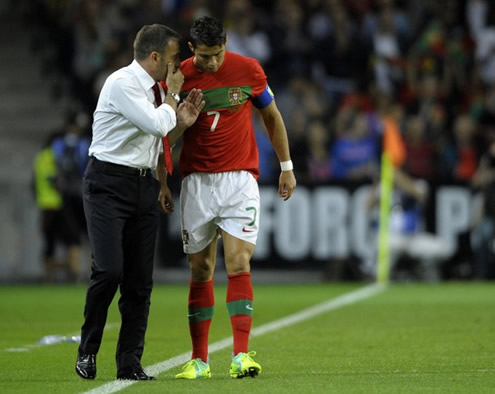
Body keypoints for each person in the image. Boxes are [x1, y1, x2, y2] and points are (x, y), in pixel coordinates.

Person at [166, 16, 297, 380]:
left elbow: (272, 115)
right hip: (196, 182)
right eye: (206, 56)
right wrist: (178, 111)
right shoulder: (179, 77)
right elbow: (164, 136)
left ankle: (241, 355)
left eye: (218, 53)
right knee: (201, 269)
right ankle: (199, 360)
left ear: (226, 44)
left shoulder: (249, 70)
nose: (213, 62)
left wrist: (286, 166)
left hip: (239, 180)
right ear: (193, 49)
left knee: (238, 262)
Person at [75, 24, 204, 381]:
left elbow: (161, 137)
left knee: (139, 282)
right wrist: (175, 101)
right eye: (176, 58)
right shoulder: (123, 84)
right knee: (109, 271)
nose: (179, 67)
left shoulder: (157, 90)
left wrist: (182, 126)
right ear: (155, 57)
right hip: (108, 185)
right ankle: (87, 349)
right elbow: (155, 124)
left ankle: (129, 361)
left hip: (144, 184)